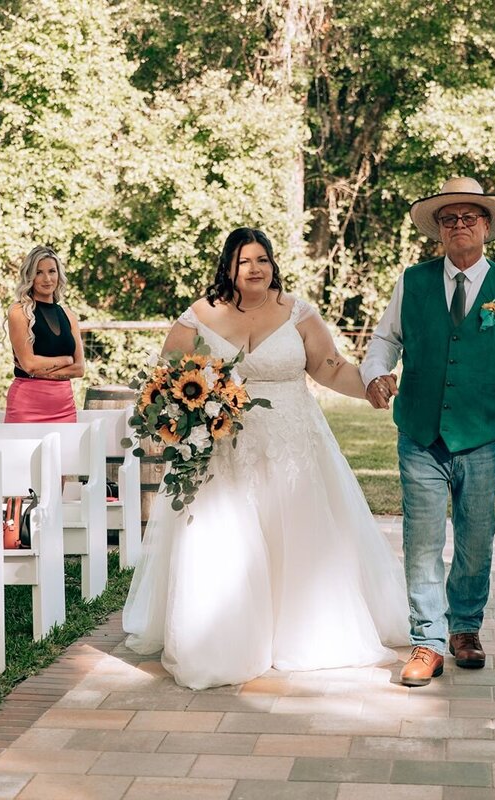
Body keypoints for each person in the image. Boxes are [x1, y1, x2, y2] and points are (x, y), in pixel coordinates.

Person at [123, 227, 409, 690]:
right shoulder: (199, 316)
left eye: (262, 260)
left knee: (297, 535)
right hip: (224, 448)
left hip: (293, 443)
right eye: (244, 261)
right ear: (228, 269)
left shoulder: (297, 313)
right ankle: (226, 640)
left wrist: (372, 388)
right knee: (228, 540)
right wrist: (180, 416)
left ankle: (303, 634)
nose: (254, 269)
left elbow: (330, 367)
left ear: (273, 264)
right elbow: (169, 375)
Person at [361, 176, 495, 687]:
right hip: (421, 434)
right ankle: (428, 640)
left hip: (482, 436)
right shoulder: (413, 280)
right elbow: (385, 339)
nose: (460, 225)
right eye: (450, 219)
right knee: (422, 539)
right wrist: (375, 372)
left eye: (470, 217)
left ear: (487, 226)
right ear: (438, 231)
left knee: (476, 537)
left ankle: (465, 627)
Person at [5, 246, 85, 422]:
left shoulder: (69, 316)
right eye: (39, 272)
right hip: (26, 406)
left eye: (52, 271)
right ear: (30, 276)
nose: (47, 278)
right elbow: (29, 365)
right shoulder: (19, 312)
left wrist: (41, 369)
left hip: (64, 407)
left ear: (59, 274)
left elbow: (79, 369)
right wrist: (66, 361)